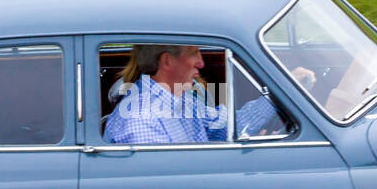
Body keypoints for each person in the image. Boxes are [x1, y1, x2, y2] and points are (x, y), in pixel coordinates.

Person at [103, 44, 313, 144]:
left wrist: (280, 95)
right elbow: (175, 187)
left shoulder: (179, 97)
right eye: (194, 53)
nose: (202, 62)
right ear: (167, 61)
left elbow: (226, 126)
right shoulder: (142, 122)